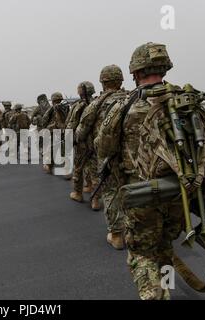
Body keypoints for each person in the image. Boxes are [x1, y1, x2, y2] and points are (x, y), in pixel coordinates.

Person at [96, 42, 180, 299]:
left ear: (135, 72)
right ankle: (168, 288)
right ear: (164, 68)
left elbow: (103, 147)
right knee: (166, 245)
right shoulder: (183, 100)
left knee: (142, 252)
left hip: (144, 195)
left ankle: (155, 295)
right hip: (180, 194)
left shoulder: (126, 106)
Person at [77, 65, 128, 245]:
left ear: (103, 82)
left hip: (107, 156)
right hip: (135, 157)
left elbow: (80, 132)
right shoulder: (133, 98)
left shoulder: (96, 104)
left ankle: (116, 235)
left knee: (111, 191)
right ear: (121, 80)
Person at [65, 81, 96, 202]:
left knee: (78, 168)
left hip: (82, 142)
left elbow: (71, 124)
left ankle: (78, 193)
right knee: (94, 169)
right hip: (95, 142)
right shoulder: (98, 103)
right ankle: (96, 199)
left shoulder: (78, 106)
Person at [41, 92, 70, 174]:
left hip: (58, 132)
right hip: (58, 132)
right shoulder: (65, 108)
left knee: (56, 150)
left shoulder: (61, 108)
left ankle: (63, 168)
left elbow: (44, 121)